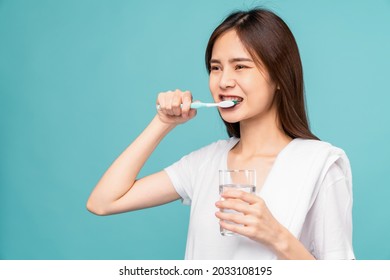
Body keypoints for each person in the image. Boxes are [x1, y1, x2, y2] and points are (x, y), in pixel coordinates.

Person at [87, 8, 354, 260]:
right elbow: (103, 202)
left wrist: (277, 237)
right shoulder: (204, 163)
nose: (224, 81)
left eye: (240, 67)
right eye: (216, 67)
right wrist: (162, 122)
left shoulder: (321, 165)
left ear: (279, 78)